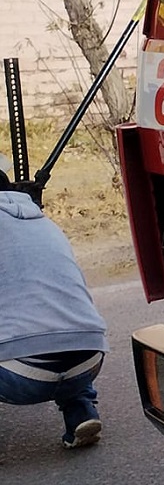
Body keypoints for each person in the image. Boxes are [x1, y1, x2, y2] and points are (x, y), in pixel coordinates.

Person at [0, 153, 108, 449]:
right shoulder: (43, 222)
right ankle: (81, 411)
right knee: (57, 321)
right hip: (90, 359)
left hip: (22, 376)